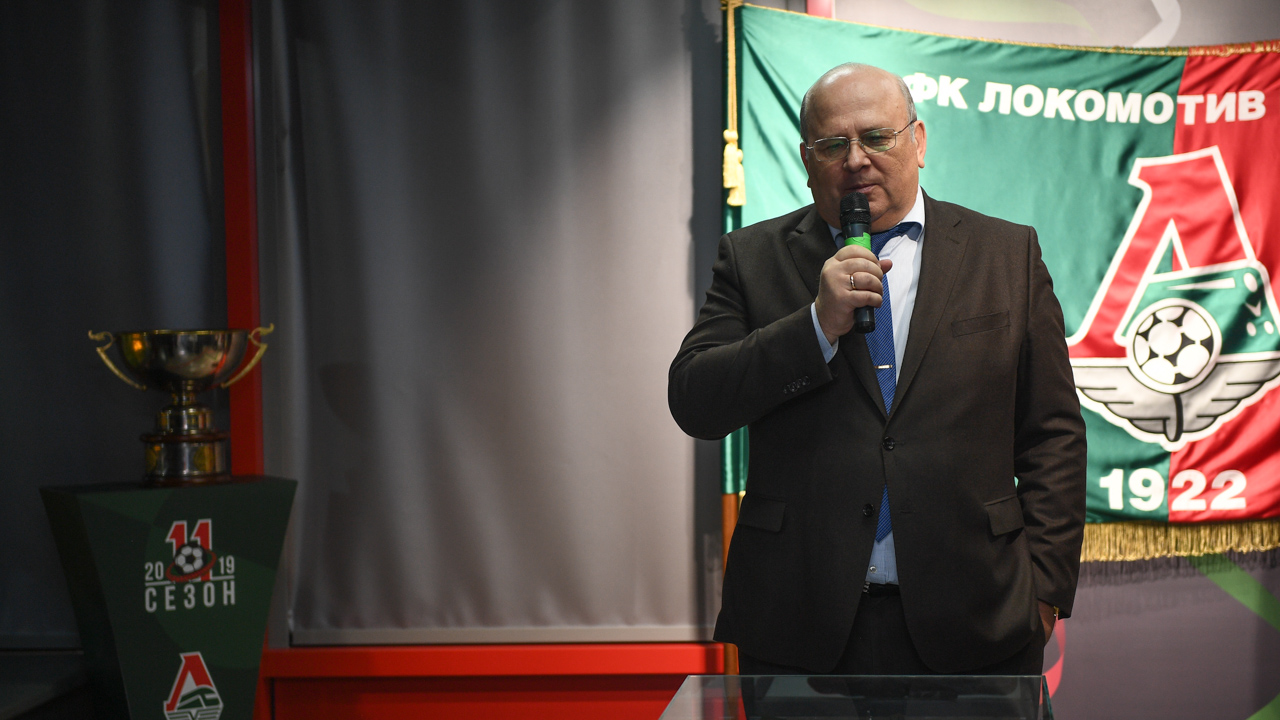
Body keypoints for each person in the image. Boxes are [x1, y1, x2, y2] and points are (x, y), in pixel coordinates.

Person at [668, 63, 1087, 675]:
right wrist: (815, 326)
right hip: (799, 624)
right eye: (832, 144)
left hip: (980, 618)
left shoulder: (1006, 254)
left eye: (876, 137)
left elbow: (1053, 435)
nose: (856, 160)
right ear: (806, 159)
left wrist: (1043, 592)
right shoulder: (752, 257)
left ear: (918, 141)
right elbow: (695, 400)